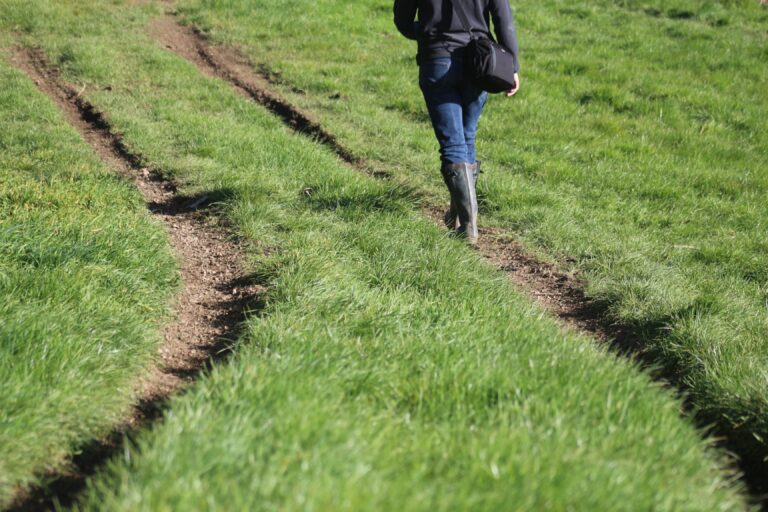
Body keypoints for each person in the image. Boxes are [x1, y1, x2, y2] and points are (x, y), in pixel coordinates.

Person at [393, 0, 520, 242]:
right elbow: (504, 20)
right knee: (466, 136)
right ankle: (460, 217)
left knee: (453, 144)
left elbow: (402, 21)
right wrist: (512, 65)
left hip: (437, 60)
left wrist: (428, 32)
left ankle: (468, 226)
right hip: (479, 61)